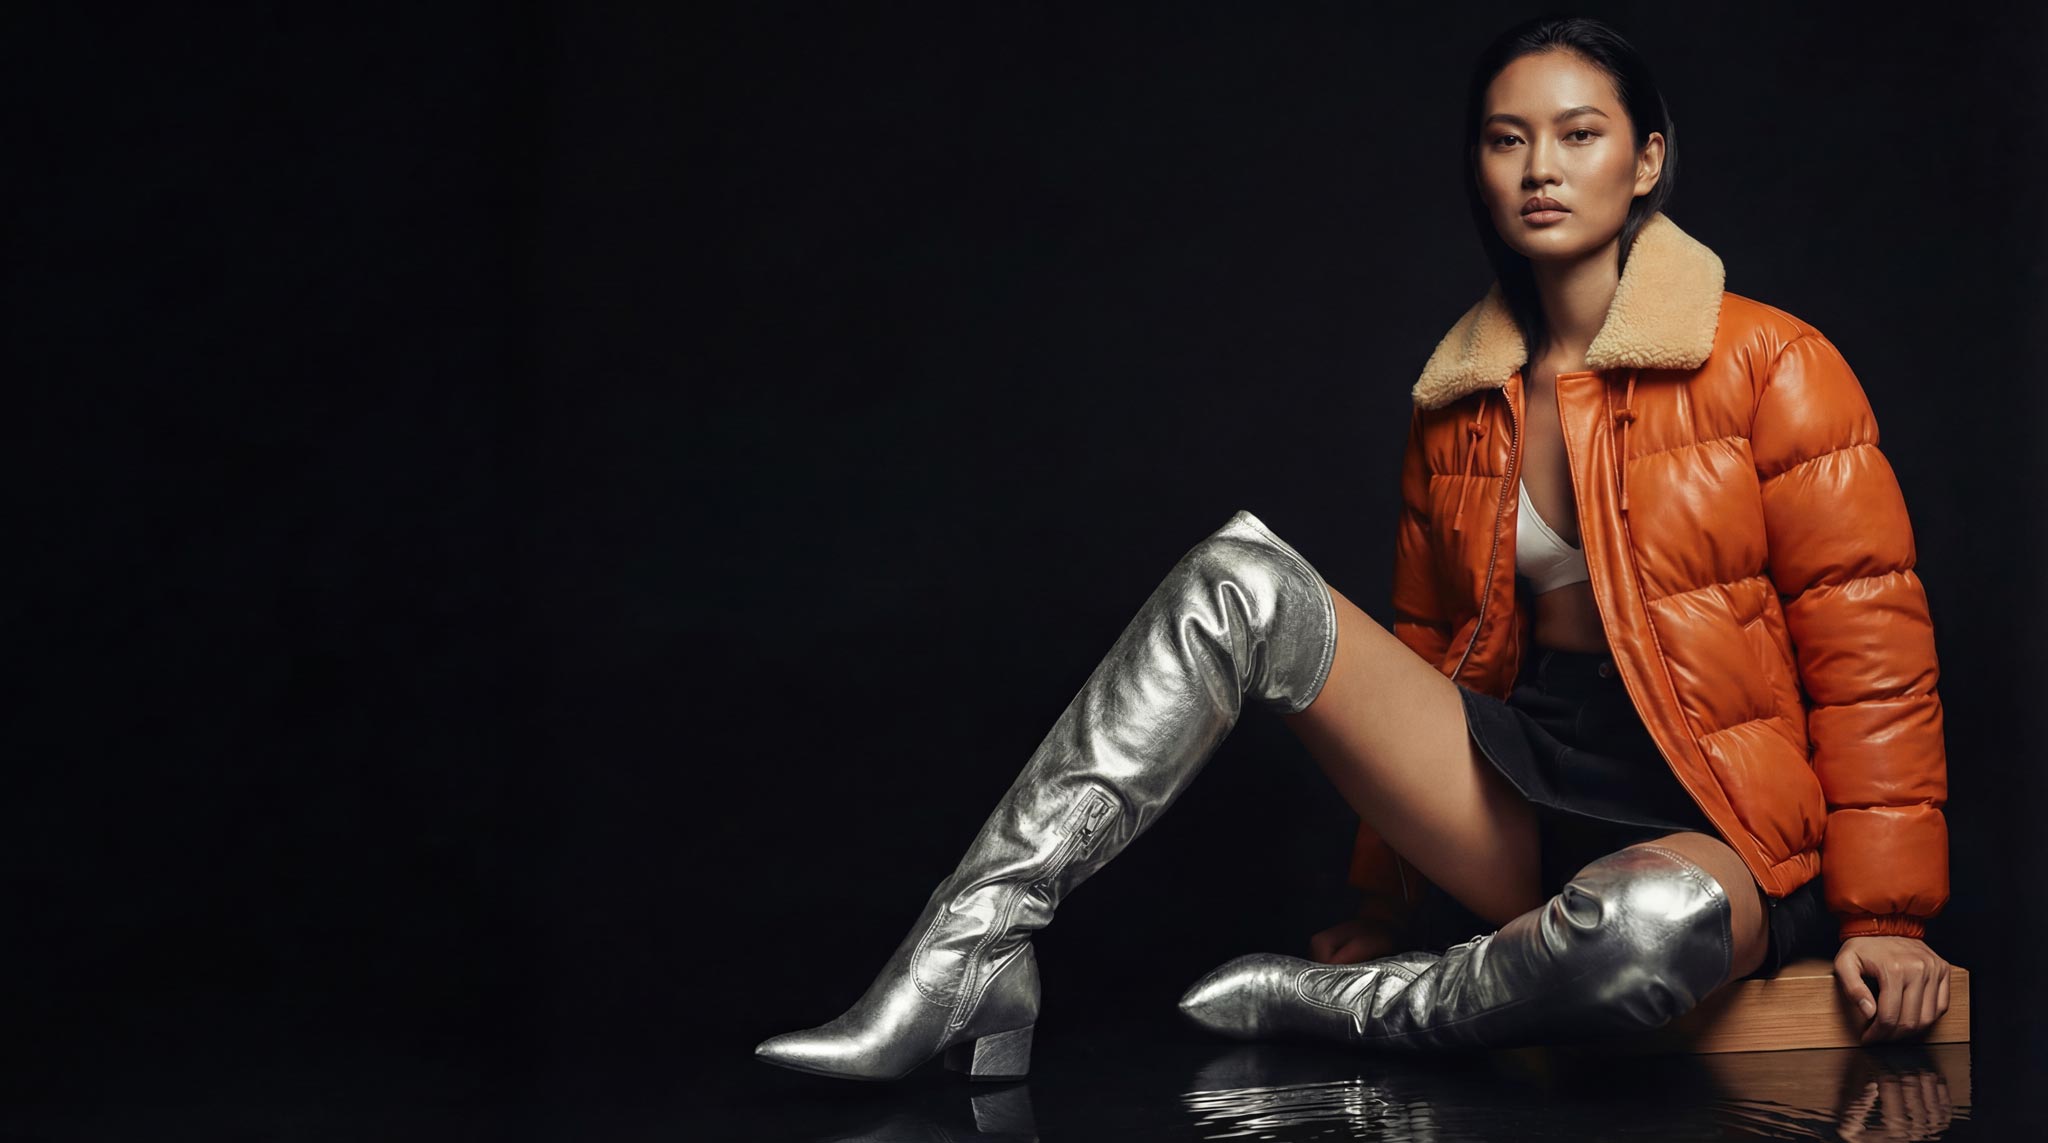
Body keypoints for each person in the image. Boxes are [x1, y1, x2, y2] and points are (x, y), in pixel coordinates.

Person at [753, 15, 1952, 1082]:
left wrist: (1886, 915)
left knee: (1646, 936)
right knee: (1237, 580)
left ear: (1643, 160)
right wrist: (1381, 896)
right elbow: (1429, 651)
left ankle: (1345, 1009)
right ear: (1478, 169)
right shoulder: (1458, 397)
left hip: (1724, 819)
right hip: (1527, 778)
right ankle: (965, 952)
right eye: (1504, 139)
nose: (1540, 168)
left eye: (1578, 134)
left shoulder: (1771, 363)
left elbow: (1868, 651)